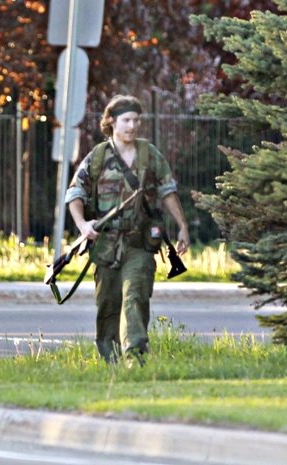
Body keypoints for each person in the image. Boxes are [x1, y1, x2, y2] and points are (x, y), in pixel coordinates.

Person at [65, 94, 190, 365]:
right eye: (126, 120)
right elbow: (75, 193)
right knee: (108, 304)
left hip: (139, 243)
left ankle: (135, 357)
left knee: (135, 296)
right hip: (106, 244)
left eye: (136, 120)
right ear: (111, 121)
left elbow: (168, 191)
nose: (132, 126)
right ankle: (110, 361)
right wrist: (82, 225)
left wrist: (182, 226)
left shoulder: (149, 154)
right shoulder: (98, 156)